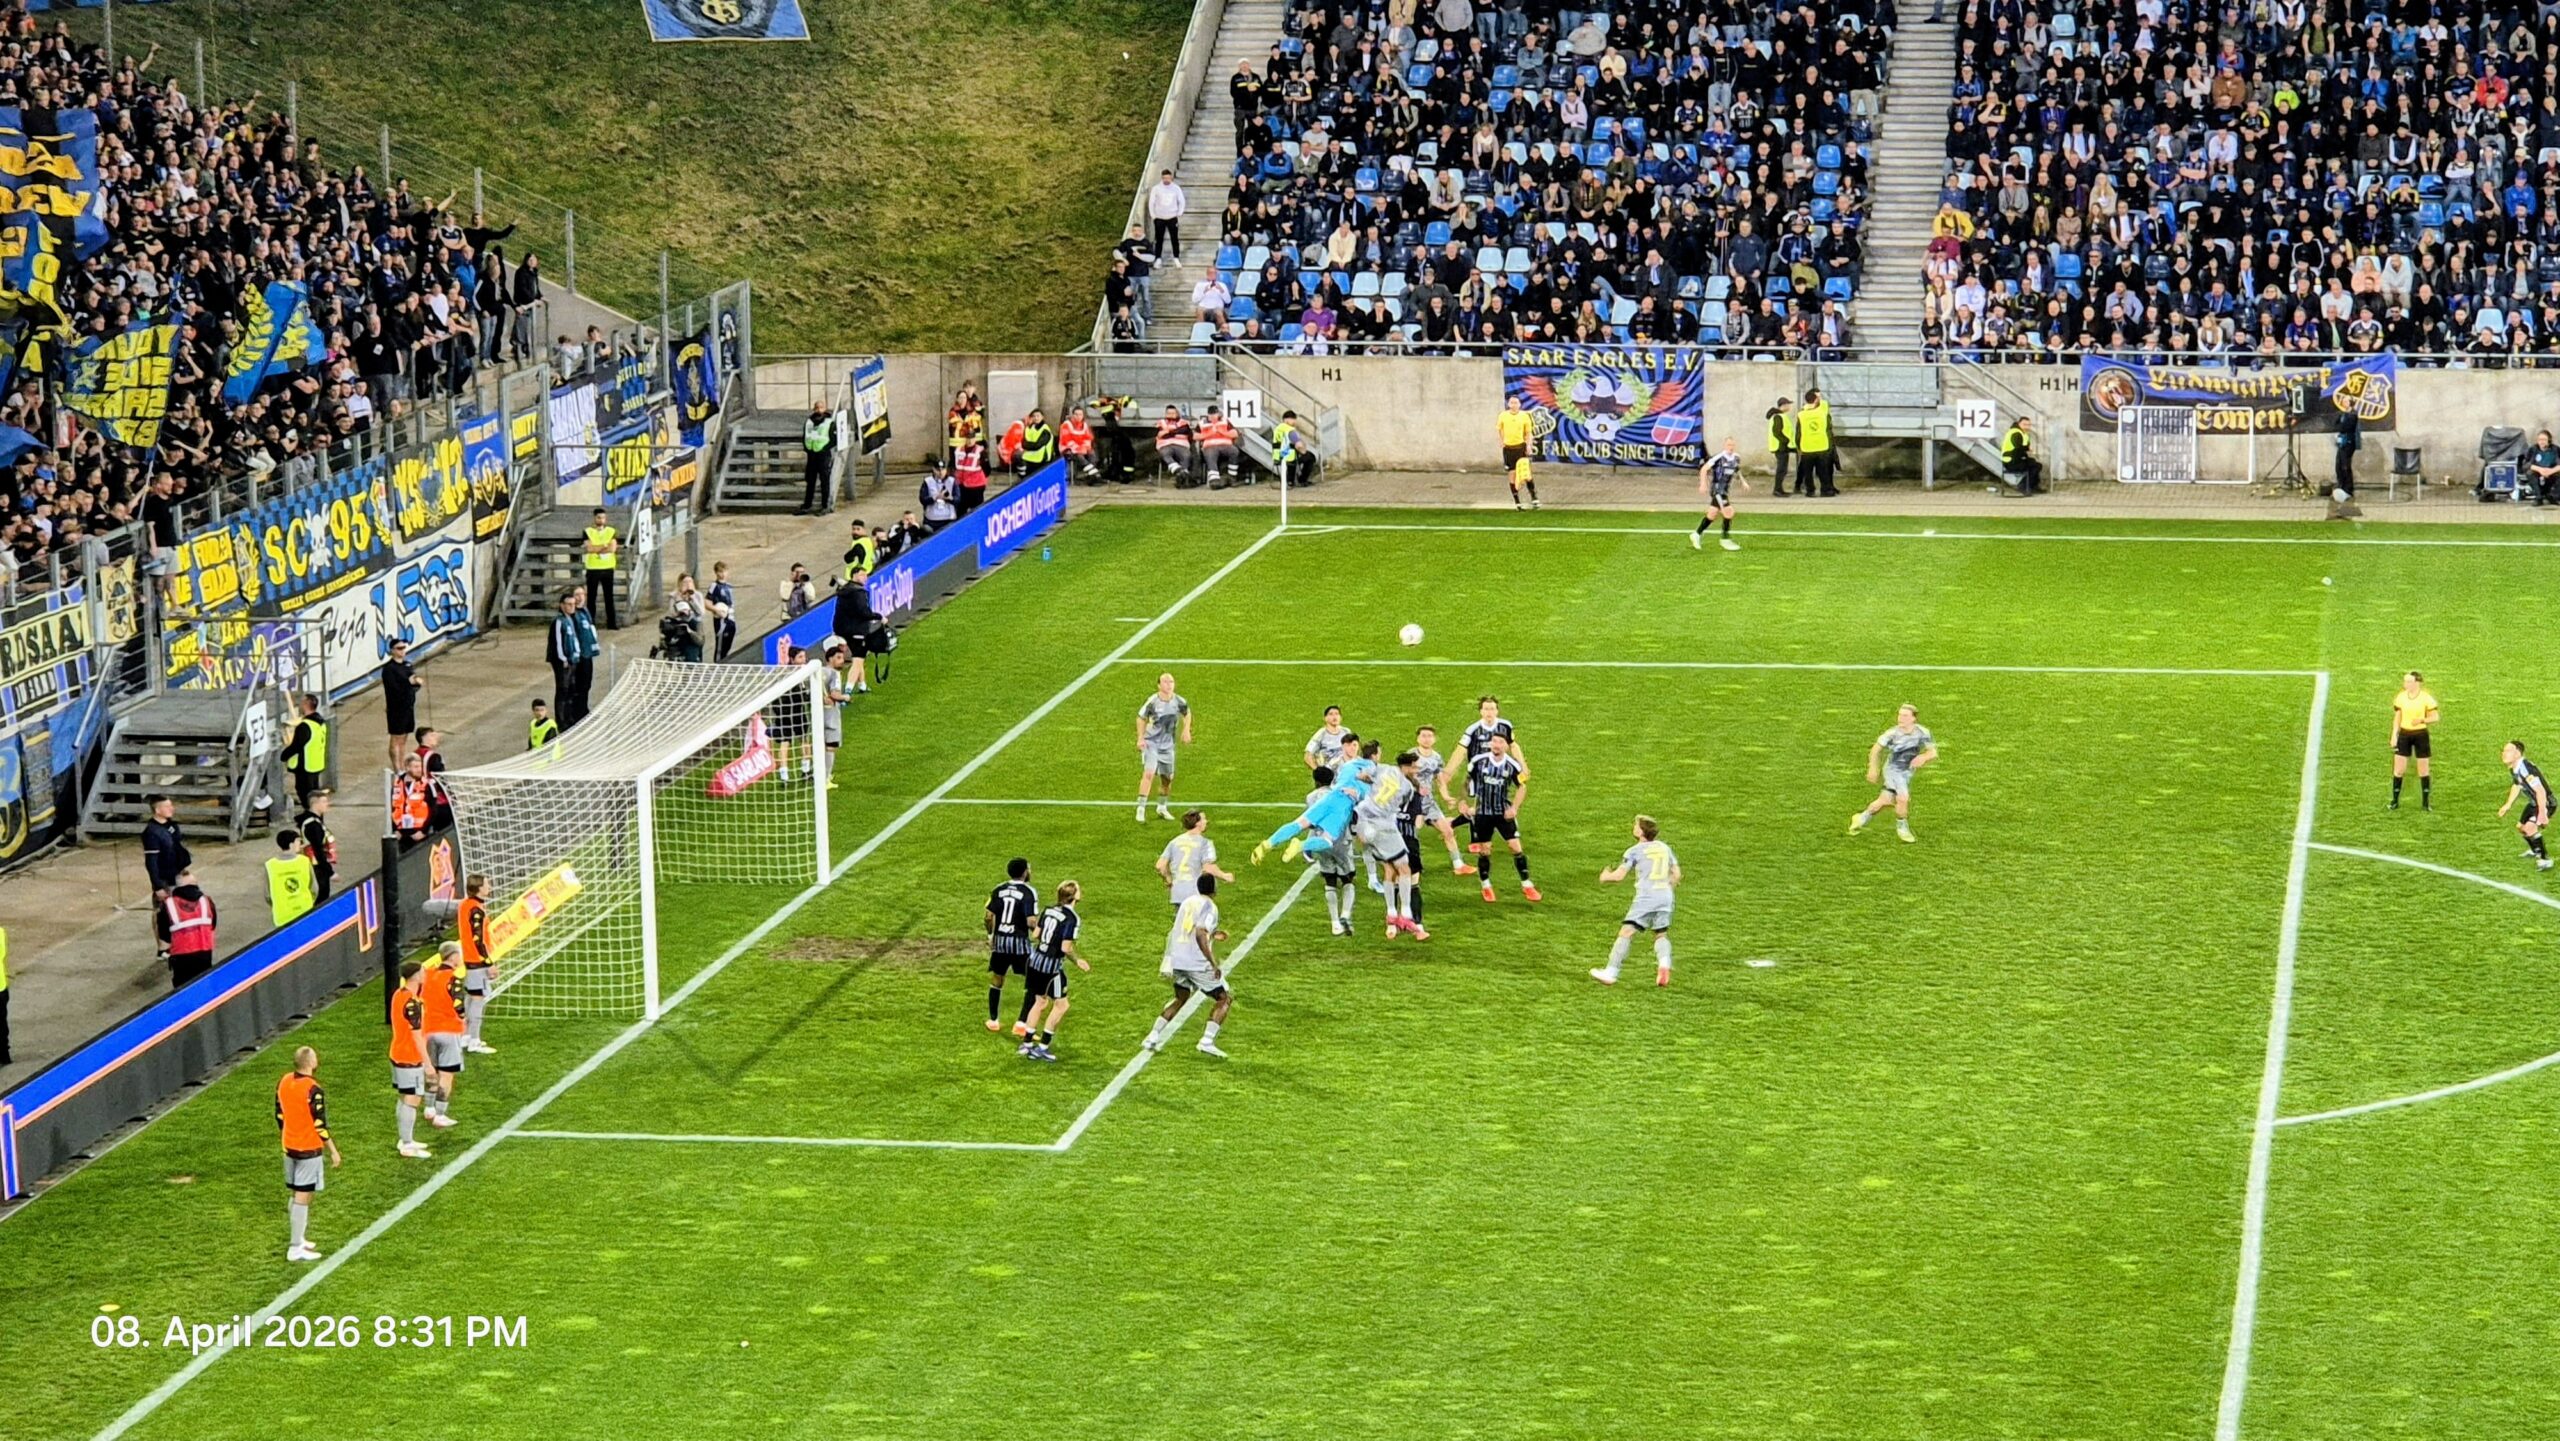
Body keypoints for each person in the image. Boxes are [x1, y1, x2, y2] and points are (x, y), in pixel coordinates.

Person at [1143, 874, 1233, 1058]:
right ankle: (1207, 1041)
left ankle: (1152, 1036)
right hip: (1196, 962)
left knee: (1180, 998)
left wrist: (1213, 934)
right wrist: (1213, 962)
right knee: (1223, 998)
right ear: (1214, 889)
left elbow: (1185, 928)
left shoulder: (1187, 902)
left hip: (1178, 958)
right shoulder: (1210, 907)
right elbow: (1200, 932)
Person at [1592, 815, 1681, 986]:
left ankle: (1611, 972)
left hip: (1646, 898)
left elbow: (1619, 876)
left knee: (1626, 932)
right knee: (1660, 934)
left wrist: (1605, 877)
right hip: (1665, 896)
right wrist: (1668, 886)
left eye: (1636, 825)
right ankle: (1664, 965)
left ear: (1641, 831)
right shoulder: (1664, 848)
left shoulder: (1634, 851)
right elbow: (1676, 874)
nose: (1634, 827)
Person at [276, 1045, 342, 1261]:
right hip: (307, 1148)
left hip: (289, 1145)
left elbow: (279, 1114)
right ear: (311, 1063)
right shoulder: (313, 1089)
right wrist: (333, 1150)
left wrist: (287, 1135)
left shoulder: (284, 1081)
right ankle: (295, 1247)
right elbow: (320, 1124)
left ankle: (300, 1237)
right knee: (302, 1196)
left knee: (297, 1193)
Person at [1358, 747, 1429, 939]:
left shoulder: (1382, 768)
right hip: (1384, 827)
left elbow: (1363, 775)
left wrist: (1369, 782)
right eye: (1414, 768)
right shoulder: (1407, 788)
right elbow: (1404, 797)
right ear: (1407, 767)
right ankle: (1406, 915)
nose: (1416, 771)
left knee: (1389, 870)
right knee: (1405, 869)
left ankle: (1391, 915)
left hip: (1364, 822)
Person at [1462, 732, 1538, 902]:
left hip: (1502, 813)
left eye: (1500, 742)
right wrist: (1464, 802)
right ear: (1490, 744)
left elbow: (1522, 787)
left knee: (1515, 847)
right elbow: (1467, 782)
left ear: (1506, 745)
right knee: (1485, 850)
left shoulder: (1512, 765)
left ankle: (1527, 885)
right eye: (1494, 741)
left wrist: (1514, 808)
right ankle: (1486, 885)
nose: (1496, 744)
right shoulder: (1478, 761)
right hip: (1483, 814)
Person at [1019, 881, 1088, 1062]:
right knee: (1062, 1006)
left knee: (1039, 1002)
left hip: (1035, 961)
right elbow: (1066, 947)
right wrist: (1078, 960)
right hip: (1051, 966)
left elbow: (1035, 935)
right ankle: (1042, 1047)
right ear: (1073, 896)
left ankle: (1026, 1045)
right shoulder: (1072, 918)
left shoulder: (1048, 910)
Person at [1851, 704, 1938, 842]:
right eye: (1899, 715)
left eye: (1905, 715)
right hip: (1893, 770)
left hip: (1907, 772)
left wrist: (1923, 757)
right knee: (1903, 797)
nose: (1900, 718)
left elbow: (1933, 752)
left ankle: (1861, 818)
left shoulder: (1923, 732)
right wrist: (1873, 768)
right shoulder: (1892, 734)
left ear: (1913, 719)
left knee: (1885, 800)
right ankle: (1902, 827)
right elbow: (1875, 750)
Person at [986, 857, 1042, 1035]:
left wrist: (990, 935)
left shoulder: (998, 889)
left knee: (997, 978)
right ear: (1025, 872)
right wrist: (1042, 933)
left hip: (1001, 943)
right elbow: (1031, 921)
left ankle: (993, 1020)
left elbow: (988, 916)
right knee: (1034, 980)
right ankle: (1021, 1024)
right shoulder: (1028, 892)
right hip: (1019, 944)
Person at [418, 941, 468, 1130]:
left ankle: (429, 1108)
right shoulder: (453, 978)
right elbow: (458, 1005)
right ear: (453, 957)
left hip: (429, 1030)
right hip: (448, 1030)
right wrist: (463, 1018)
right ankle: (440, 1114)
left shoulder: (427, 976)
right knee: (446, 1075)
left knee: (432, 1071)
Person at [390, 961, 434, 1160]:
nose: (425, 974)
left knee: (404, 1097)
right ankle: (407, 1143)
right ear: (415, 976)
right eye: (423, 972)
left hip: (398, 1052)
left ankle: (405, 1139)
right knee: (412, 1100)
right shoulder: (412, 1003)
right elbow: (416, 1036)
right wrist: (428, 1064)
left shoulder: (399, 995)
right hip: (409, 1056)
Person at [1412, 725, 1468, 877]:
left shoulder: (1436, 757)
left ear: (1434, 739)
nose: (1427, 738)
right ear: (1418, 738)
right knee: (1412, 836)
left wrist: (1446, 796)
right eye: (1423, 736)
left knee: (1448, 831)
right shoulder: (1411, 756)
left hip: (1429, 803)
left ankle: (1458, 864)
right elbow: (1401, 777)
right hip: (1413, 803)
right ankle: (1410, 866)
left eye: (1429, 736)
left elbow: (1440, 780)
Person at [1135, 672, 1192, 821]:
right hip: (1151, 742)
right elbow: (1141, 718)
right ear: (1159, 685)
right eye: (1165, 682)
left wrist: (1186, 730)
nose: (1169, 684)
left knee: (1167, 778)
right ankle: (1141, 808)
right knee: (1149, 773)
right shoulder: (1153, 702)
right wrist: (1140, 738)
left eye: (1171, 681)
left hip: (1167, 746)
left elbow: (1187, 713)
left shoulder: (1178, 701)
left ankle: (1161, 807)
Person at [141, 794, 188, 957]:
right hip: (164, 878)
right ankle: (163, 947)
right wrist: (158, 886)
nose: (172, 808)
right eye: (167, 806)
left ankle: (176, 942)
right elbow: (151, 862)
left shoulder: (172, 826)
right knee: (161, 912)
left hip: (177, 874)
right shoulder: (151, 833)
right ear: (157, 810)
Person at [1159, 810, 1235, 910]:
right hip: (1196, 893)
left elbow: (1160, 866)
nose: (1206, 821)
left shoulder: (1174, 842)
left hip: (1178, 893)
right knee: (1200, 924)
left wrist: (1168, 879)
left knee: (1182, 924)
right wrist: (1224, 875)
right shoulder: (1205, 843)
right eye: (1204, 819)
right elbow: (1208, 867)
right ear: (1197, 823)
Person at [457, 874, 497, 1054]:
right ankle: (474, 1040)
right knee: (478, 1000)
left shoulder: (465, 905)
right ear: (479, 888)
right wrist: (489, 963)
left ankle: (465, 1036)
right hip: (478, 962)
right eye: (487, 884)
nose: (489, 887)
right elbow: (478, 940)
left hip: (469, 959)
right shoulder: (476, 910)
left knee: (470, 997)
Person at [2499, 741, 2555, 871]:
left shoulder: (2525, 769)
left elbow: (2540, 791)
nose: (2504, 753)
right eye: (2503, 750)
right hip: (2534, 803)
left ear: (2517, 753)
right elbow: (2517, 785)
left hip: (2545, 803)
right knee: (2521, 827)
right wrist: (2508, 805)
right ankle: (2535, 849)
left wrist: (2542, 813)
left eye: (2508, 751)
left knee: (2530, 829)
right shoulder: (2515, 767)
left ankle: (2545, 860)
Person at [548, 589, 600, 728]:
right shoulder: (560, 621)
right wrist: (563, 658)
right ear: (562, 605)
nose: (573, 605)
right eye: (569, 603)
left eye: (573, 603)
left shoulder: (574, 616)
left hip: (575, 658)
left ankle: (570, 716)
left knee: (571, 689)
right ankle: (562, 720)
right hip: (566, 660)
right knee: (563, 689)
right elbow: (558, 642)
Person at [2391, 671, 2438, 811]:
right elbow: (2398, 717)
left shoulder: (2426, 698)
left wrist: (2422, 720)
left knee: (2423, 770)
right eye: (2405, 681)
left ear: (2417, 683)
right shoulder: (2401, 697)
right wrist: (2394, 734)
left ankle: (2425, 803)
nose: (2405, 684)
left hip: (2420, 735)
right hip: (2404, 734)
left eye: (2408, 681)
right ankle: (2394, 801)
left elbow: (2435, 717)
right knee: (2399, 769)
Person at [1693, 435, 1746, 550]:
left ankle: (1696, 534)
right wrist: (1703, 484)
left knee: (1711, 515)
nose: (1730, 447)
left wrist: (1743, 481)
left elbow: (1737, 470)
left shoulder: (1736, 458)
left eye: (1732, 445)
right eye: (1728, 445)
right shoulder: (1718, 458)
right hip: (1717, 490)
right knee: (1729, 512)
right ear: (1724, 445)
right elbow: (1703, 469)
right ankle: (1725, 539)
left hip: (1725, 490)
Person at [770, 645, 813, 780]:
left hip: (789, 713)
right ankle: (800, 771)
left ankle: (789, 774)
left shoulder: (788, 673)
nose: (804, 660)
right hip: (790, 713)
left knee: (796, 740)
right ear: (792, 659)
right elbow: (800, 696)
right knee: (794, 741)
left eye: (804, 656)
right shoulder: (792, 675)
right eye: (800, 657)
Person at [280, 693, 330, 810]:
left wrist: (284, 755)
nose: (300, 705)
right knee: (314, 795)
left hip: (305, 765)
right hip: (316, 763)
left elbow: (296, 746)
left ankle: (312, 817)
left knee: (306, 795)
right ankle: (316, 817)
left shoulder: (305, 726)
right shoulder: (320, 723)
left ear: (306, 705)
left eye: (302, 703)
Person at [381, 638, 422, 768]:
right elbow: (394, 687)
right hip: (396, 707)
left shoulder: (407, 665)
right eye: (399, 648)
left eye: (404, 648)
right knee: (396, 737)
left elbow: (414, 681)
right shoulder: (389, 669)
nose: (402, 651)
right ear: (392, 651)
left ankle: (402, 764)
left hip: (408, 705)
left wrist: (414, 682)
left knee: (404, 737)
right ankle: (396, 766)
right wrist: (409, 682)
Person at [819, 639, 852, 787]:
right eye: (838, 658)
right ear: (830, 659)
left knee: (820, 745)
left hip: (817, 714)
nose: (842, 660)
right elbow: (835, 694)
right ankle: (826, 779)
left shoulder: (818, 672)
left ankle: (817, 774)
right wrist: (846, 697)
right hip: (831, 715)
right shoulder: (834, 675)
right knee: (830, 746)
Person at [580, 508, 621, 628]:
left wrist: (598, 548)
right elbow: (589, 548)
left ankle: (612, 623)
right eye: (599, 517)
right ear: (594, 518)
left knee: (609, 597)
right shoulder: (588, 531)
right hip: (593, 568)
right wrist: (604, 546)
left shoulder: (611, 531)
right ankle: (591, 622)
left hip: (608, 567)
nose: (601, 520)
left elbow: (612, 548)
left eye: (603, 517)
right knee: (591, 598)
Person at [267, 829, 316, 927]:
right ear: (291, 845)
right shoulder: (304, 861)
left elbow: (267, 895)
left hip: (282, 915)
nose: (300, 844)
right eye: (298, 841)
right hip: (304, 910)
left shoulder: (270, 865)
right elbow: (314, 888)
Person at [298, 791, 339, 901]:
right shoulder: (313, 825)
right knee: (321, 897)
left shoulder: (313, 821)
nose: (327, 804)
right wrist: (330, 872)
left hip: (315, 866)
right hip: (317, 868)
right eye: (324, 801)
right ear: (315, 803)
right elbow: (318, 850)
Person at [799, 401, 838, 515]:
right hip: (811, 455)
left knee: (824, 481)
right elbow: (805, 436)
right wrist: (807, 449)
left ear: (825, 408)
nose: (818, 409)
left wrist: (824, 448)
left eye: (821, 407)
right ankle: (807, 505)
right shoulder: (809, 422)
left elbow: (833, 439)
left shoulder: (829, 422)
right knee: (810, 481)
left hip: (823, 455)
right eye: (816, 407)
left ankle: (825, 506)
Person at [1797, 386, 1837, 496]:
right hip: (1821, 446)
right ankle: (1826, 490)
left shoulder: (1801, 415)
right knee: (1823, 471)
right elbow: (1828, 425)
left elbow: (1798, 432)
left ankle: (1810, 491)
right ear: (1816, 400)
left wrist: (1798, 446)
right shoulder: (1822, 413)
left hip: (1807, 447)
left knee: (1808, 472)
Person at [391, 754, 434, 849]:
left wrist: (424, 831)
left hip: (419, 834)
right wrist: (395, 830)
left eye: (420, 766)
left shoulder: (426, 785)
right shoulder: (397, 785)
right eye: (416, 767)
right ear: (407, 768)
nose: (419, 769)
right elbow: (392, 808)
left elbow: (433, 809)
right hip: (401, 835)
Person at [1498, 395, 1536, 501]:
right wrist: (1501, 440)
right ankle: (1517, 501)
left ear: (1519, 404)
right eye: (1512, 403)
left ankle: (1534, 496)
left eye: (1516, 403)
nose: (1513, 405)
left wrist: (1528, 446)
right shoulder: (1503, 416)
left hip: (1520, 448)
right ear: (1508, 404)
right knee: (1512, 474)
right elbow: (1500, 429)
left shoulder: (1524, 416)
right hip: (1509, 449)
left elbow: (1528, 433)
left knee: (1526, 473)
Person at [1147, 168, 1187, 261]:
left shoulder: (1176, 188)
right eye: (1165, 178)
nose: (1166, 180)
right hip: (1159, 218)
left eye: (1168, 178)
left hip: (1172, 217)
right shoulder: (1156, 188)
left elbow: (1181, 200)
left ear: (1171, 178)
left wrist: (1179, 212)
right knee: (1159, 239)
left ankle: (1176, 257)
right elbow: (1151, 202)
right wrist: (1153, 215)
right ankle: (1158, 258)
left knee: (1174, 239)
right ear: (1162, 178)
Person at [1197, 408, 1242, 486]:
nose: (1213, 417)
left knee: (1234, 451)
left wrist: (1222, 432)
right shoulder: (1202, 423)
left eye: (1215, 415)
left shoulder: (1225, 421)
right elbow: (1195, 436)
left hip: (1225, 444)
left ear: (1218, 414)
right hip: (1209, 445)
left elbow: (1235, 434)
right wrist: (1209, 434)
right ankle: (1214, 479)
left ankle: (1232, 477)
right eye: (1211, 415)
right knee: (1210, 455)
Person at [1155, 405, 1198, 486]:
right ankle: (1177, 469)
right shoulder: (1161, 422)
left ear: (1177, 413)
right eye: (1168, 413)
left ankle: (1182, 477)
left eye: (1173, 413)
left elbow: (1184, 430)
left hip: (1181, 445)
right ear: (1165, 414)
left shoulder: (1183, 422)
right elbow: (1160, 435)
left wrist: (1168, 432)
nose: (1171, 415)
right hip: (1165, 445)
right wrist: (1175, 432)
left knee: (1186, 455)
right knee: (1165, 453)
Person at [1304, 705, 1352, 774]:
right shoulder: (1320, 734)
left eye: (1337, 714)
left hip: (1345, 773)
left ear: (1340, 718)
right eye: (1331, 714)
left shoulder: (1346, 732)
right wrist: (1318, 772)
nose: (1334, 717)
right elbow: (1307, 756)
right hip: (1329, 775)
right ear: (1325, 718)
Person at [2003, 415, 2044, 496]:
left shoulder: (2023, 434)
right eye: (2024, 424)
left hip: (2016, 459)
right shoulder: (2016, 433)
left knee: (2036, 464)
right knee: (2035, 466)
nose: (2027, 427)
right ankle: (2023, 486)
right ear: (2019, 424)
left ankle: (2033, 486)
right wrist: (2027, 449)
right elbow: (2018, 447)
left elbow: (2022, 449)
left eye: (2028, 425)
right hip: (2011, 461)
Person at [706, 561, 739, 661]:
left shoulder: (729, 586)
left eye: (724, 571)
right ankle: (718, 665)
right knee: (720, 646)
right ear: (716, 573)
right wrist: (716, 610)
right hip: (721, 621)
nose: (722, 574)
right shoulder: (714, 586)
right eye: (720, 572)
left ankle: (724, 661)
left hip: (731, 619)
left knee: (728, 645)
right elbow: (707, 602)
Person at [1766, 396, 1798, 495]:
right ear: (1783, 405)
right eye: (1788, 404)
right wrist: (1786, 441)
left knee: (1782, 469)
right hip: (1781, 447)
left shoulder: (1779, 416)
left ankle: (1779, 489)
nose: (1789, 406)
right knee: (1781, 469)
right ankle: (1777, 489)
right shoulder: (1778, 417)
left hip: (1781, 447)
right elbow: (1777, 432)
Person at [1058, 407, 1099, 481]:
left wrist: (1085, 447)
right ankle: (1094, 475)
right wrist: (1079, 448)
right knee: (1080, 457)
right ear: (1072, 415)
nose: (1078, 416)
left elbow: (1088, 438)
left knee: (1092, 454)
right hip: (1068, 449)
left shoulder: (1085, 425)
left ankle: (1091, 476)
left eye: (1080, 414)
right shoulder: (1066, 425)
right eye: (1076, 414)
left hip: (1082, 448)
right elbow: (1067, 440)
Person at [953, 437, 990, 513]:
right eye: (968, 438)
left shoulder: (980, 451)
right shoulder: (958, 450)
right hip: (961, 485)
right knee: (960, 511)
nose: (969, 441)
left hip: (976, 486)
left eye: (972, 438)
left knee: (977, 511)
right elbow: (952, 466)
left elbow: (987, 469)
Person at [920, 457, 960, 526]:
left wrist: (949, 498)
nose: (941, 472)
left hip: (949, 518)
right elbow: (923, 499)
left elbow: (958, 499)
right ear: (934, 469)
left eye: (943, 469)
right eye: (938, 470)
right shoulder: (928, 481)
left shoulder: (952, 481)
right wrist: (935, 497)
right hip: (932, 518)